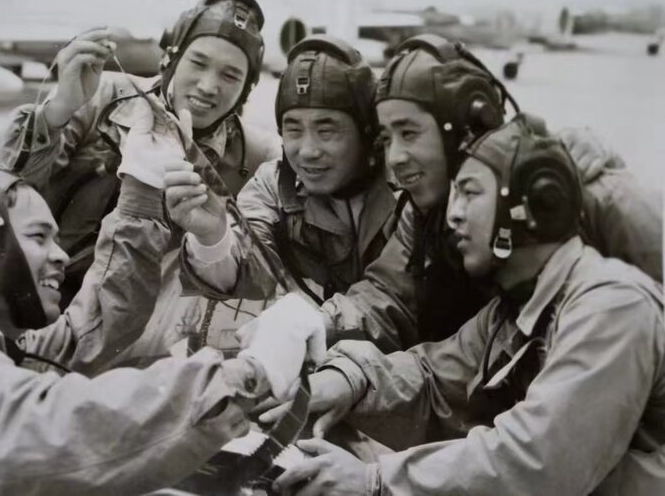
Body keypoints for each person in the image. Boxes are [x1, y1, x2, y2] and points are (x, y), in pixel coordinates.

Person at [0, 159, 326, 494]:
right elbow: (53, 429)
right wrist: (250, 371)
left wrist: (142, 191)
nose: (61, 255)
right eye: (38, 237)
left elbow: (90, 332)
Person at [273, 115, 664, 496]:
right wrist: (349, 382)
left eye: (471, 193)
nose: (453, 214)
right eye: (455, 194)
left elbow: (540, 461)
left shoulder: (612, 306)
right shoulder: (518, 308)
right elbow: (434, 382)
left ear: (532, 205)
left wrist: (375, 482)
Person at [0, 0, 282, 363]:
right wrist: (58, 110)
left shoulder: (257, 157)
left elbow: (257, 279)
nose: (208, 86)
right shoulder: (102, 95)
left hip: (130, 335)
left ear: (247, 88)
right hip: (31, 294)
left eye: (230, 75)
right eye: (198, 63)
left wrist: (213, 237)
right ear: (171, 56)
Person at [313, 34, 661, 349]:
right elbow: (387, 296)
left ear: (467, 126)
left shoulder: (599, 195)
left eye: (409, 133)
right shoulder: (423, 216)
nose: (395, 158)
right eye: (387, 139)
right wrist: (316, 323)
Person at [165, 35, 413, 353]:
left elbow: (393, 297)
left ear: (368, 133)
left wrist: (316, 324)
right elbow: (249, 267)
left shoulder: (407, 191)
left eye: (327, 131)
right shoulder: (275, 185)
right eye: (293, 129)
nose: (307, 150)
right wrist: (212, 237)